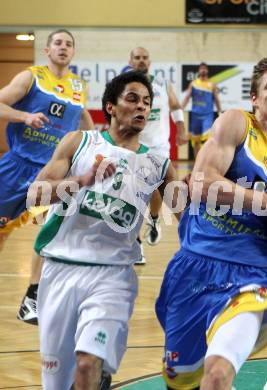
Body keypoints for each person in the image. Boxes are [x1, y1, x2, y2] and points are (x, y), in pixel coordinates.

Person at [155, 57, 267, 390]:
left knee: (218, 374)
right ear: (254, 97)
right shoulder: (236, 124)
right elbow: (202, 184)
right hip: (193, 267)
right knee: (182, 382)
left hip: (250, 276)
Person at [27, 70, 180, 390]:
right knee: (57, 383)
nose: (142, 107)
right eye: (133, 99)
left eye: (147, 102)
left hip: (114, 275)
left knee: (87, 364)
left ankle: (95, 374)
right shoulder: (80, 142)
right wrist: (81, 182)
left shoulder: (158, 165)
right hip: (60, 270)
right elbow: (37, 193)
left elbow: (190, 217)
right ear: (110, 106)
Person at [0, 29, 95, 325]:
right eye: (58, 43)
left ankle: (33, 295)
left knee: (53, 230)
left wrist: (98, 143)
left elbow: (83, 120)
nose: (63, 47)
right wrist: (24, 117)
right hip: (17, 166)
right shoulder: (32, 77)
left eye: (69, 44)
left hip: (52, 172)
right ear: (47, 50)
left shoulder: (80, 86)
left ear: (73, 52)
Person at [128, 47, 187, 263]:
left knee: (159, 192)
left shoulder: (161, 83)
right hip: (133, 147)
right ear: (130, 60)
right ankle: (136, 246)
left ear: (149, 61)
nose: (141, 61)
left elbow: (175, 105)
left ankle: (154, 219)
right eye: (137, 58)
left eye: (144, 57)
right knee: (133, 196)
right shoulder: (122, 86)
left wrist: (181, 128)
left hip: (160, 148)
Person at [182, 62, 222, 158]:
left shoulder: (212, 84)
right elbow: (187, 97)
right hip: (195, 116)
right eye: (201, 68)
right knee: (196, 141)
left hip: (207, 116)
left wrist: (220, 112)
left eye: (205, 68)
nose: (203, 70)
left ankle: (206, 162)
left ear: (207, 71)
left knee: (208, 141)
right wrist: (180, 109)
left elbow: (216, 99)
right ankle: (197, 163)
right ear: (199, 71)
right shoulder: (193, 84)